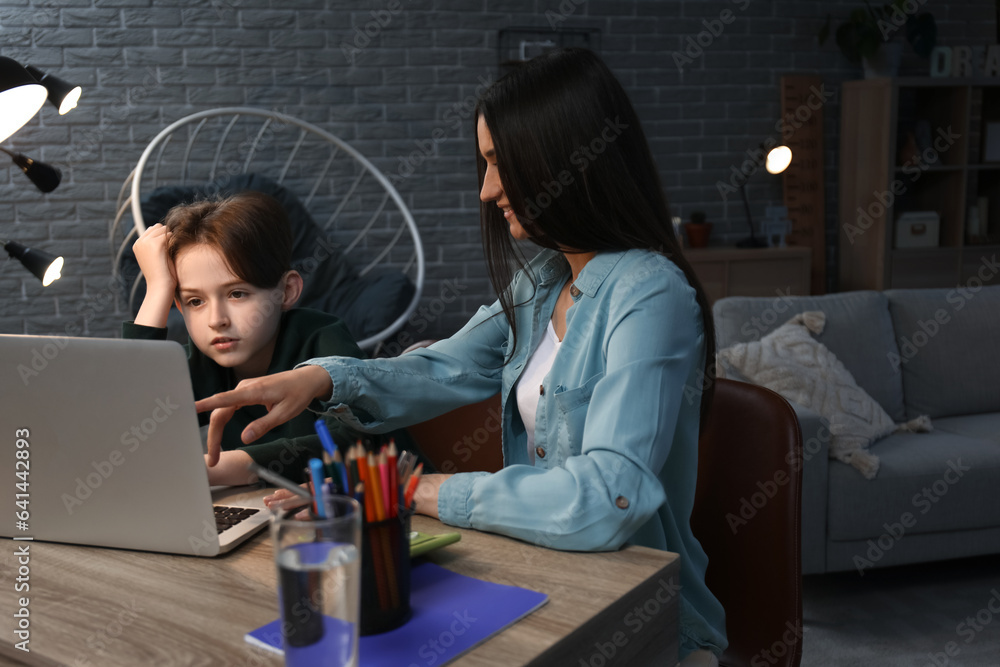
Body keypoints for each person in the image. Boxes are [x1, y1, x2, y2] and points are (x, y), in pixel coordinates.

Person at [195, 48, 727, 664]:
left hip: (642, 620)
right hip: (546, 577)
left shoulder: (650, 292)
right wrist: (318, 379)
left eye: (501, 163)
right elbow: (439, 367)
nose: (487, 189)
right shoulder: (542, 282)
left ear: (562, 159)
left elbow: (607, 498)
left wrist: (413, 490)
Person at [124, 191, 367, 486]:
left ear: (286, 290)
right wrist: (158, 288)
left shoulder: (323, 339)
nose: (216, 320)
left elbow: (354, 441)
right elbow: (130, 422)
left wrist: (225, 466)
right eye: (195, 301)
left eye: (237, 294)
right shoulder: (202, 362)